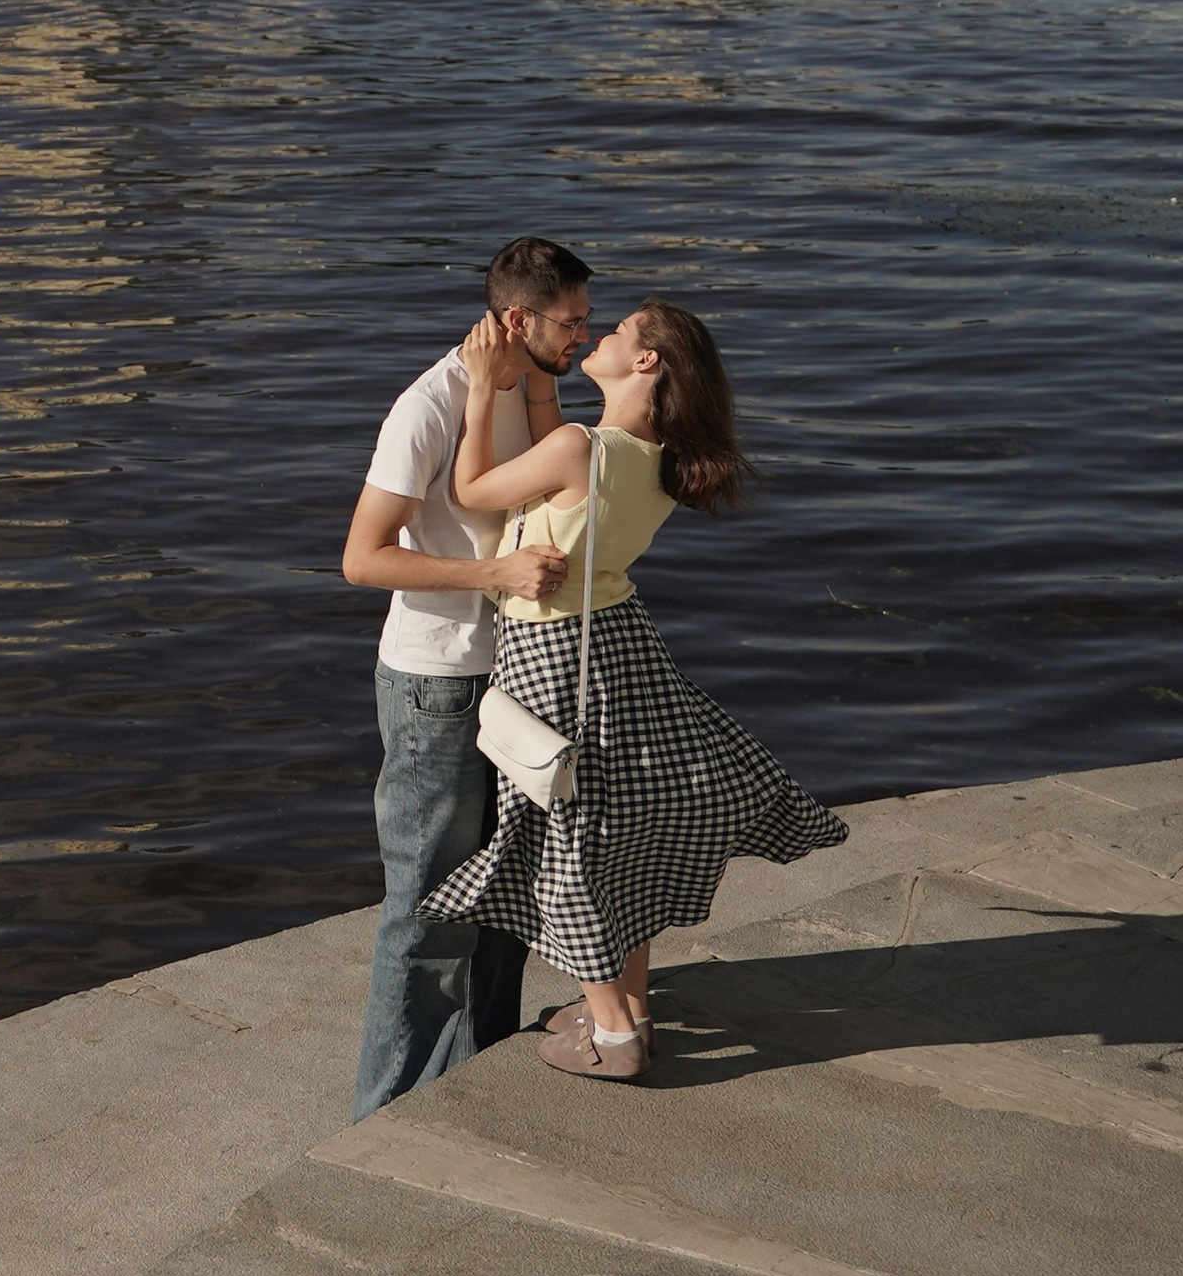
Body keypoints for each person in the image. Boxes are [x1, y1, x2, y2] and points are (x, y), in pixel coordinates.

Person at [425, 296, 847, 1081]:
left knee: (568, 832)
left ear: (646, 361)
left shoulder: (577, 448)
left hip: (550, 650)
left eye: (619, 331)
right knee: (627, 826)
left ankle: (613, 1033)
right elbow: (571, 457)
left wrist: (484, 383)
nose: (602, 333)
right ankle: (634, 1004)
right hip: (623, 643)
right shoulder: (656, 459)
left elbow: (470, 489)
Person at [341, 237, 594, 1117]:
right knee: (423, 914)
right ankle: (381, 1115)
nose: (583, 338)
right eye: (570, 323)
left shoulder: (524, 388)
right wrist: (494, 576)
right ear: (517, 318)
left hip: (514, 676)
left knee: (503, 902)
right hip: (437, 685)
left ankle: (474, 1084)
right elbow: (361, 561)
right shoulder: (427, 407)